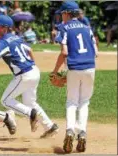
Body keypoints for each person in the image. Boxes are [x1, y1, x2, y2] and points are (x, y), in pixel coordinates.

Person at [0, 15, 59, 138]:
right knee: (30, 102)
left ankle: (31, 114)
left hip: (24, 75)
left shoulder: (2, 42)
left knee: (5, 100)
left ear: (5, 28)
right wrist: (32, 66)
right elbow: (29, 51)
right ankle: (49, 126)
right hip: (34, 71)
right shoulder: (17, 37)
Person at [53, 1, 98, 153]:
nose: (60, 16)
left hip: (74, 67)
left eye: (62, 13)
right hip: (90, 67)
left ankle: (70, 131)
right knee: (84, 102)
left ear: (66, 13)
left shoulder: (64, 28)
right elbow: (96, 52)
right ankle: (82, 133)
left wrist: (56, 71)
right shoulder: (87, 28)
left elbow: (64, 53)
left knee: (72, 102)